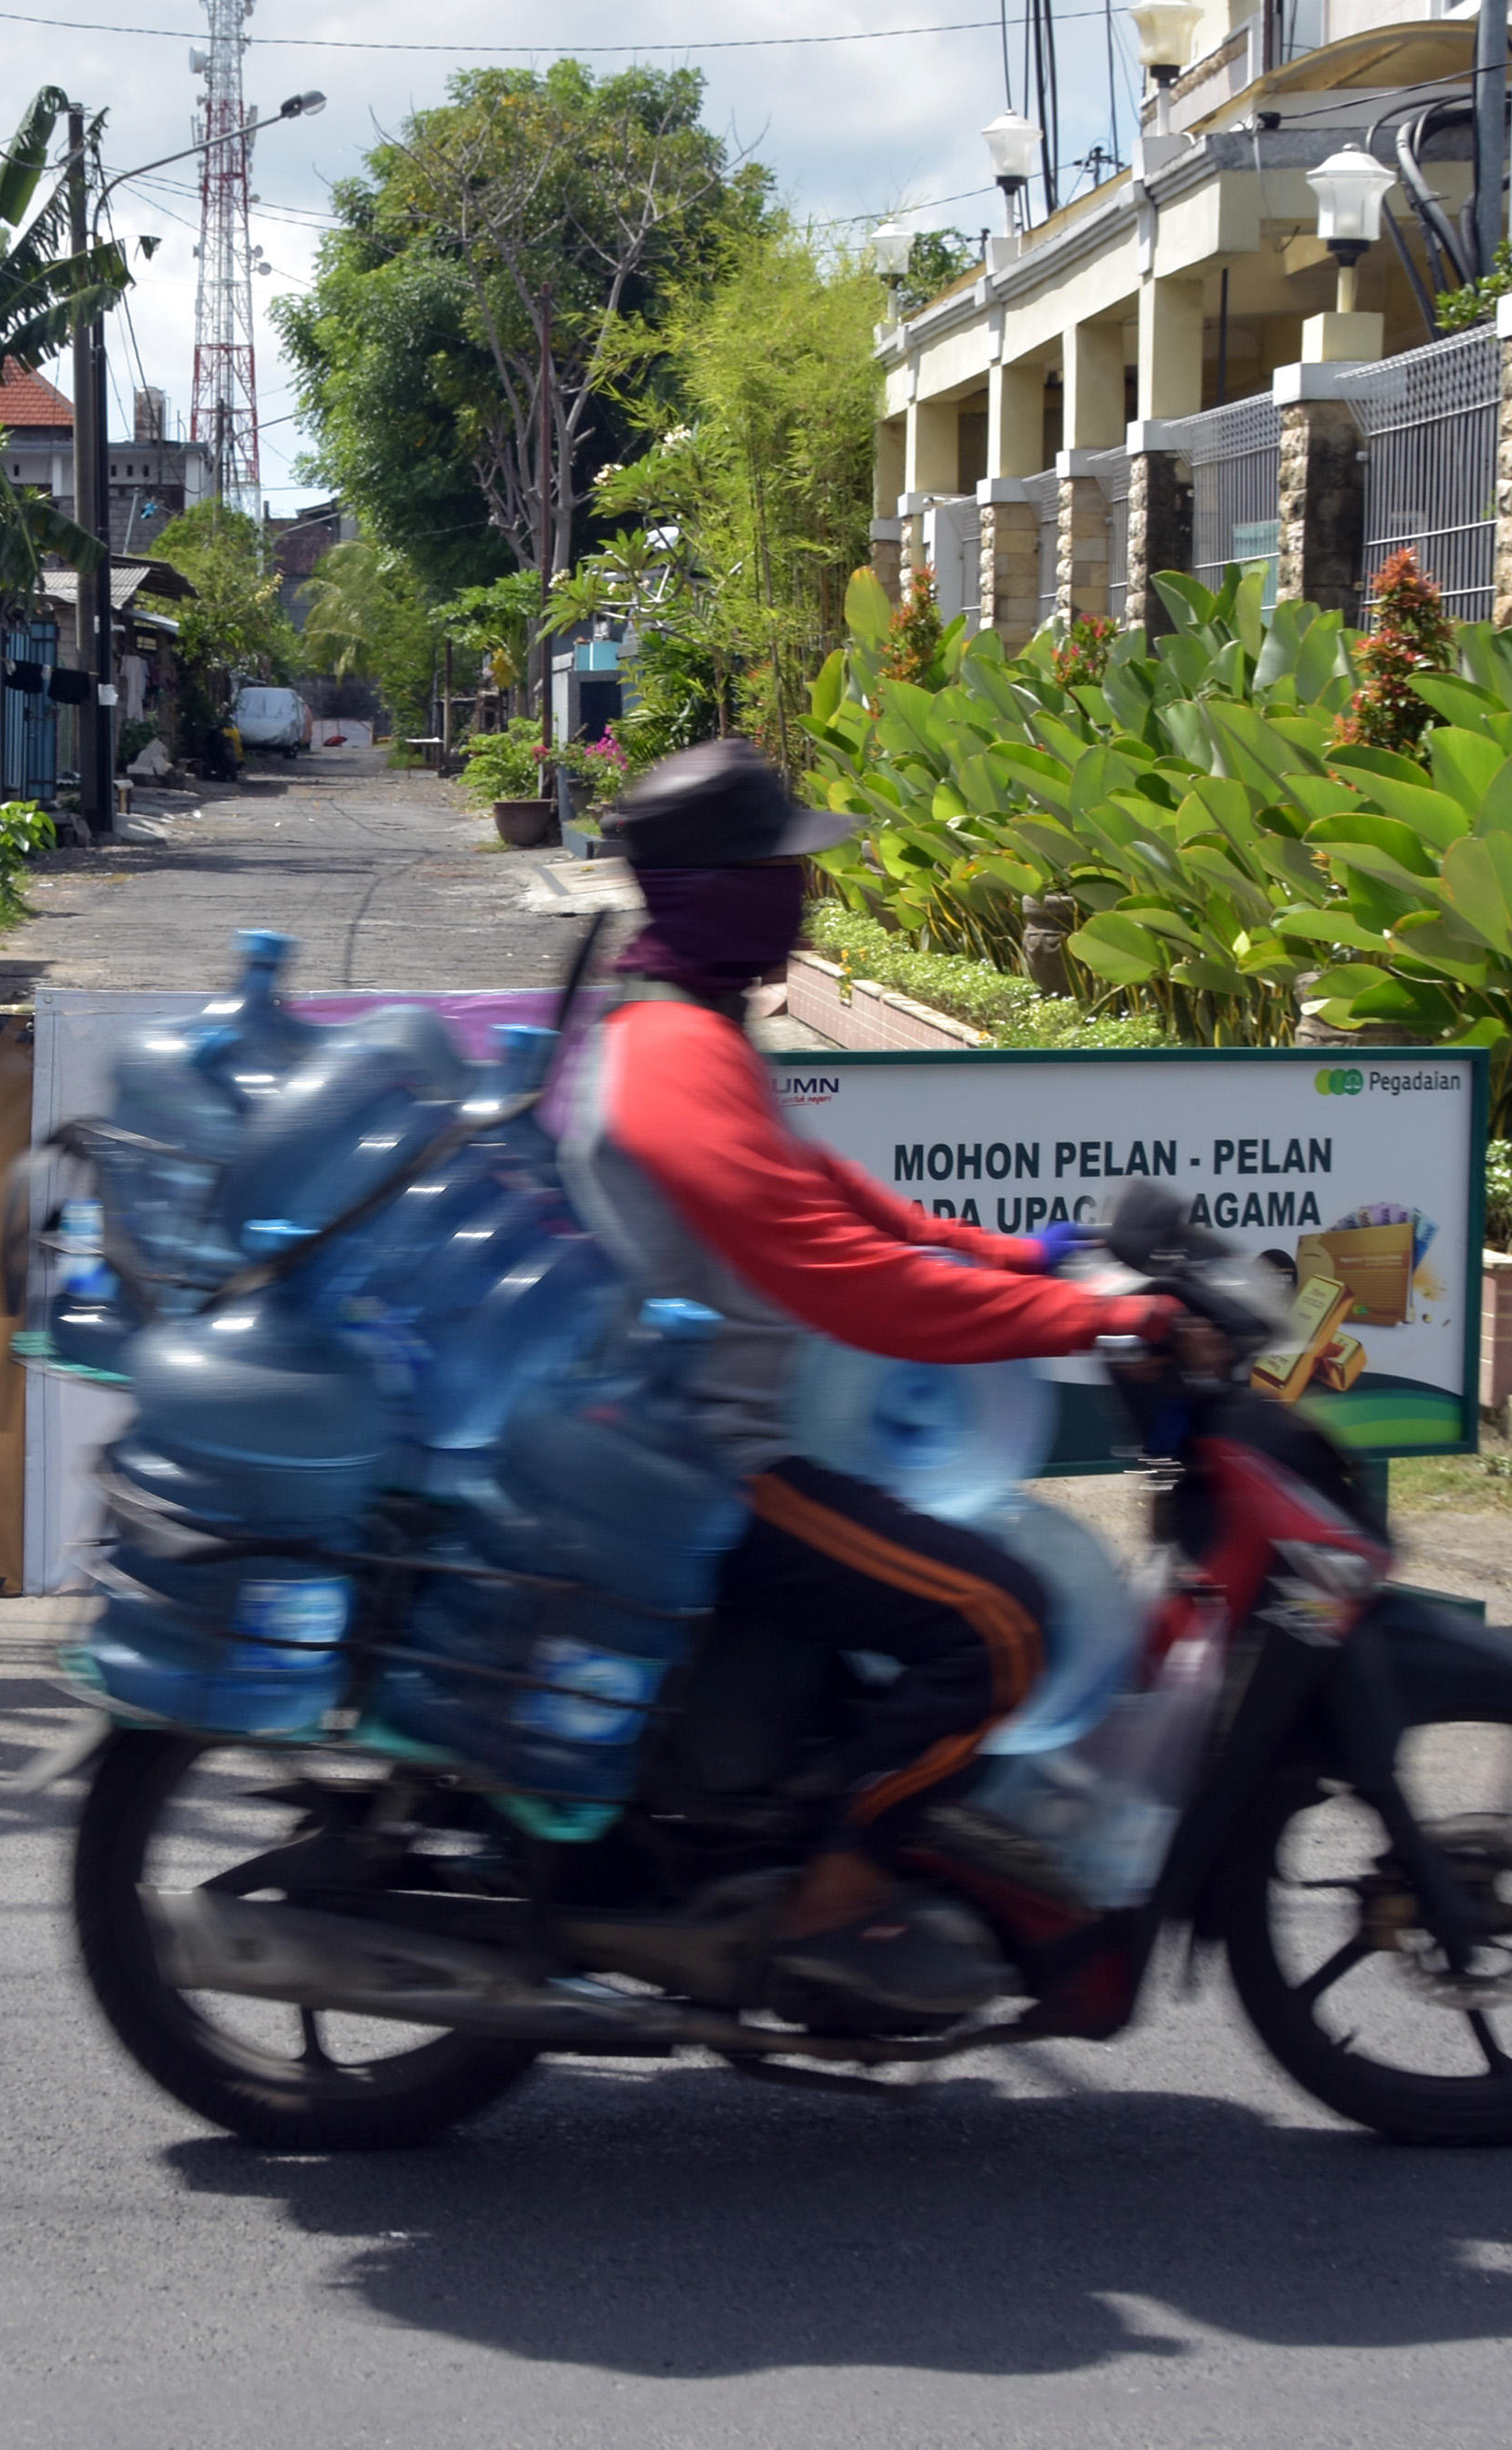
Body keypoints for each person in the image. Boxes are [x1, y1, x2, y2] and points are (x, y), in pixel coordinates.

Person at [559, 739, 1216, 2017]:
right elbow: (845, 1280)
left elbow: (843, 1202)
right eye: (783, 869)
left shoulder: (682, 1022)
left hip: (711, 1432)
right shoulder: (673, 1057)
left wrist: (1037, 1253)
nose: (806, 893)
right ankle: (837, 1885)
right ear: (723, 886)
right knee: (1000, 1619)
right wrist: (1086, 1322)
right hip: (716, 1457)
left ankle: (844, 1839)